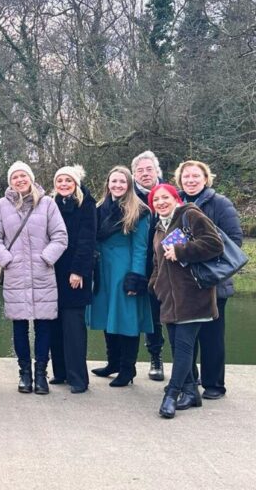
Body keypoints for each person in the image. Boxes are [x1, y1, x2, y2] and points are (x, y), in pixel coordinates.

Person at [0, 161, 68, 395]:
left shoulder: (47, 204)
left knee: (44, 326)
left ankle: (41, 373)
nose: (19, 180)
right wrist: (7, 259)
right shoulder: (2, 206)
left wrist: (46, 258)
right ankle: (24, 374)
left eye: (23, 176)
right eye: (15, 177)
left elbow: (60, 236)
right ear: (10, 181)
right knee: (19, 326)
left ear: (31, 178)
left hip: (43, 272)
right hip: (15, 273)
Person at [147, 184, 224, 418]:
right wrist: (155, 286)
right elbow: (158, 263)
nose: (160, 202)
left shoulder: (190, 214)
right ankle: (191, 392)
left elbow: (215, 244)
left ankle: (171, 394)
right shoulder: (160, 227)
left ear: (175, 198)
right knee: (177, 347)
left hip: (193, 296)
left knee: (183, 348)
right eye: (155, 200)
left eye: (165, 197)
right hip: (169, 299)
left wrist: (181, 251)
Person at [175, 160, 243, 400]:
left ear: (206, 178)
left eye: (195, 176)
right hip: (184, 284)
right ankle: (188, 382)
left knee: (212, 336)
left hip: (214, 282)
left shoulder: (220, 203)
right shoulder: (176, 204)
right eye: (186, 177)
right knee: (186, 338)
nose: (191, 181)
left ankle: (214, 383)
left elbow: (233, 240)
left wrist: (192, 253)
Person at [87, 166, 154, 387]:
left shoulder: (140, 210)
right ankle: (113, 362)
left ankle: (128, 369)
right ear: (108, 183)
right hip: (103, 268)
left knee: (126, 318)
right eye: (113, 181)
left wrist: (135, 276)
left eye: (122, 182)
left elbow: (141, 248)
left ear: (129, 184)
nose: (117, 185)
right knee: (109, 315)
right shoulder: (99, 207)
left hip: (124, 269)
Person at [49, 165, 97, 394]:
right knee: (55, 324)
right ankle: (60, 372)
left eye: (68, 180)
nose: (64, 184)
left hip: (75, 273)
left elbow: (88, 240)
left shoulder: (86, 204)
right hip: (53, 271)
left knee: (73, 326)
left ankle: (78, 378)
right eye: (60, 181)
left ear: (76, 183)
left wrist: (78, 271)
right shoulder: (51, 204)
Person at [131, 150, 166, 381]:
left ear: (157, 171)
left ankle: (165, 361)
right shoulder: (128, 196)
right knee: (139, 315)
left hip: (166, 265)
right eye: (140, 170)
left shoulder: (168, 194)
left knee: (165, 315)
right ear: (134, 174)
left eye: (148, 169)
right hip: (138, 266)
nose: (145, 174)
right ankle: (130, 363)